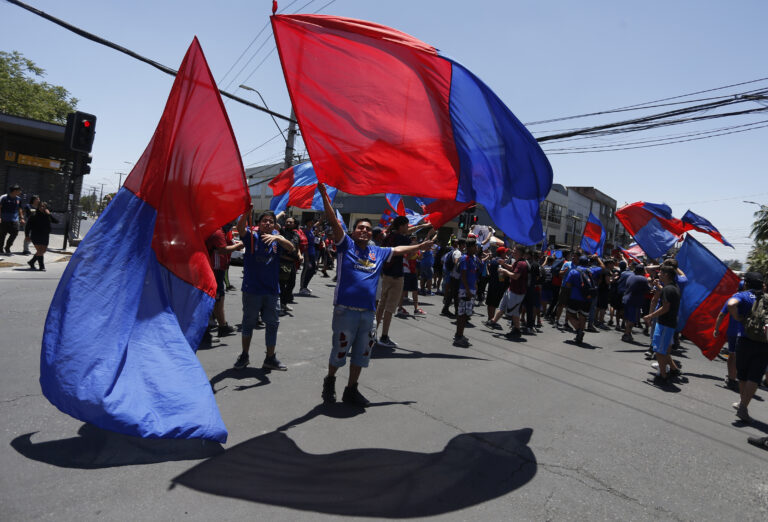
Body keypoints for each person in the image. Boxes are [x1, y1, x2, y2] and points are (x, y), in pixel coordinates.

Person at [317, 183, 432, 405]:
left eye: (368, 229)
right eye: (360, 227)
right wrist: (324, 196)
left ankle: (351, 389)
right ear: (353, 231)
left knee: (362, 354)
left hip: (368, 313)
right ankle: (329, 382)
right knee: (339, 351)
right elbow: (333, 221)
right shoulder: (345, 245)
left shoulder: (377, 251)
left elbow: (398, 250)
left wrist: (420, 247)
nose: (364, 230)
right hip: (345, 311)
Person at [233, 209, 295, 371]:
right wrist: (246, 212)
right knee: (248, 323)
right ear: (259, 224)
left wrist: (278, 237)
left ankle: (270, 358)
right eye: (264, 221)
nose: (268, 223)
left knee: (272, 324)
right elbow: (240, 228)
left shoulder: (277, 239)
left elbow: (291, 248)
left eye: (271, 221)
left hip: (272, 291)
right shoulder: (251, 237)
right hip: (252, 290)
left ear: (275, 224)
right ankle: (244, 355)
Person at [726, 272, 768, 423]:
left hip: (744, 340)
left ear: (746, 283)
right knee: (755, 377)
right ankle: (743, 405)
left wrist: (737, 317)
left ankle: (742, 404)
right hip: (764, 343)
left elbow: (730, 304)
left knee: (743, 375)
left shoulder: (743, 296)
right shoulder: (767, 298)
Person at [642, 266, 681, 385]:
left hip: (665, 324)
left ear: (667, 275)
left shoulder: (668, 289)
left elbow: (665, 307)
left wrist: (650, 316)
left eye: (661, 273)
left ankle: (663, 376)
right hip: (668, 323)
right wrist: (659, 287)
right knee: (664, 350)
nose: (659, 275)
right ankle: (673, 370)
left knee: (660, 351)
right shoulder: (673, 287)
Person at [375, 216, 411, 347]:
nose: (408, 228)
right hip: (396, 277)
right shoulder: (402, 239)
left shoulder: (388, 236)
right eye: (406, 225)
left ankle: (373, 333)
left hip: (386, 275)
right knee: (390, 308)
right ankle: (384, 337)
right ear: (401, 226)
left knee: (381, 306)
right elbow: (413, 249)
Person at [205, 224, 244, 337]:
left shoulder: (222, 231)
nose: (233, 222)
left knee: (219, 297)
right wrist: (239, 245)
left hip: (219, 269)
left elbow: (227, 244)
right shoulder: (218, 232)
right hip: (215, 269)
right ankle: (219, 326)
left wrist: (235, 244)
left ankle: (221, 325)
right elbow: (223, 249)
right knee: (217, 298)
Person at [486, 244, 528, 339]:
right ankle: (493, 321)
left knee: (514, 312)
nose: (512, 252)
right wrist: (504, 264)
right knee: (502, 306)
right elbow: (511, 268)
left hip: (517, 292)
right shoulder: (518, 262)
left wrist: (504, 271)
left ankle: (516, 329)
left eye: (514, 250)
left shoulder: (522, 264)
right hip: (511, 289)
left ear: (519, 253)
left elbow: (515, 276)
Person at [453, 238, 479, 347]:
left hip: (470, 289)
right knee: (462, 314)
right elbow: (463, 276)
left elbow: (473, 274)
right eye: (475, 246)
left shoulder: (473, 258)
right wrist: (468, 290)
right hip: (465, 290)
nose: (477, 248)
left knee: (466, 315)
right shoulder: (465, 258)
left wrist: (475, 286)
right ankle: (458, 337)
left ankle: (460, 334)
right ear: (470, 247)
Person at [278, 216, 302, 315]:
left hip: (292, 263)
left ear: (295, 224)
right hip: (283, 262)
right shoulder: (282, 232)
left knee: (291, 284)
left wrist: (300, 255)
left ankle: (284, 303)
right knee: (282, 285)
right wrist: (280, 214)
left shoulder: (296, 235)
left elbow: (297, 248)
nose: (288, 224)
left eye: (290, 222)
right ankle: (279, 306)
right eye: (287, 222)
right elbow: (276, 223)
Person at [25, 201, 58, 271]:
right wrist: (27, 236)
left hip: (45, 235)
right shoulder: (34, 215)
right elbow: (27, 227)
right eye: (40, 206)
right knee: (40, 250)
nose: (42, 208)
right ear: (38, 207)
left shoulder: (47, 215)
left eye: (43, 206)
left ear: (46, 207)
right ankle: (41, 266)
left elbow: (56, 221)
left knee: (43, 251)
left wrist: (49, 214)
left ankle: (31, 262)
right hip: (36, 235)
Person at [622, 264, 650, 343]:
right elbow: (648, 290)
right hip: (633, 301)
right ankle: (626, 334)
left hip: (626, 299)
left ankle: (627, 333)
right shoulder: (642, 279)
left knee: (628, 318)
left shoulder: (631, 276)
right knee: (631, 319)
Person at [0, 184, 25, 255]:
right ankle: (0, 248)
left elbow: (20, 209)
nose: (20, 192)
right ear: (15, 191)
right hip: (4, 219)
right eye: (19, 190)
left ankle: (7, 247)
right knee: (2, 235)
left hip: (14, 220)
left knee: (15, 233)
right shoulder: (4, 197)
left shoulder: (18, 199)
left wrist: (22, 218)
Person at [299, 216, 317, 295]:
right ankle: (302, 288)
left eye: (313, 222)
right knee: (306, 270)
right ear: (307, 223)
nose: (312, 223)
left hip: (313, 254)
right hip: (308, 254)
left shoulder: (311, 230)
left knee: (313, 270)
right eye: (310, 222)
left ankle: (305, 286)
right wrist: (306, 256)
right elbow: (304, 244)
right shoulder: (305, 231)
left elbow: (318, 223)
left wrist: (324, 216)